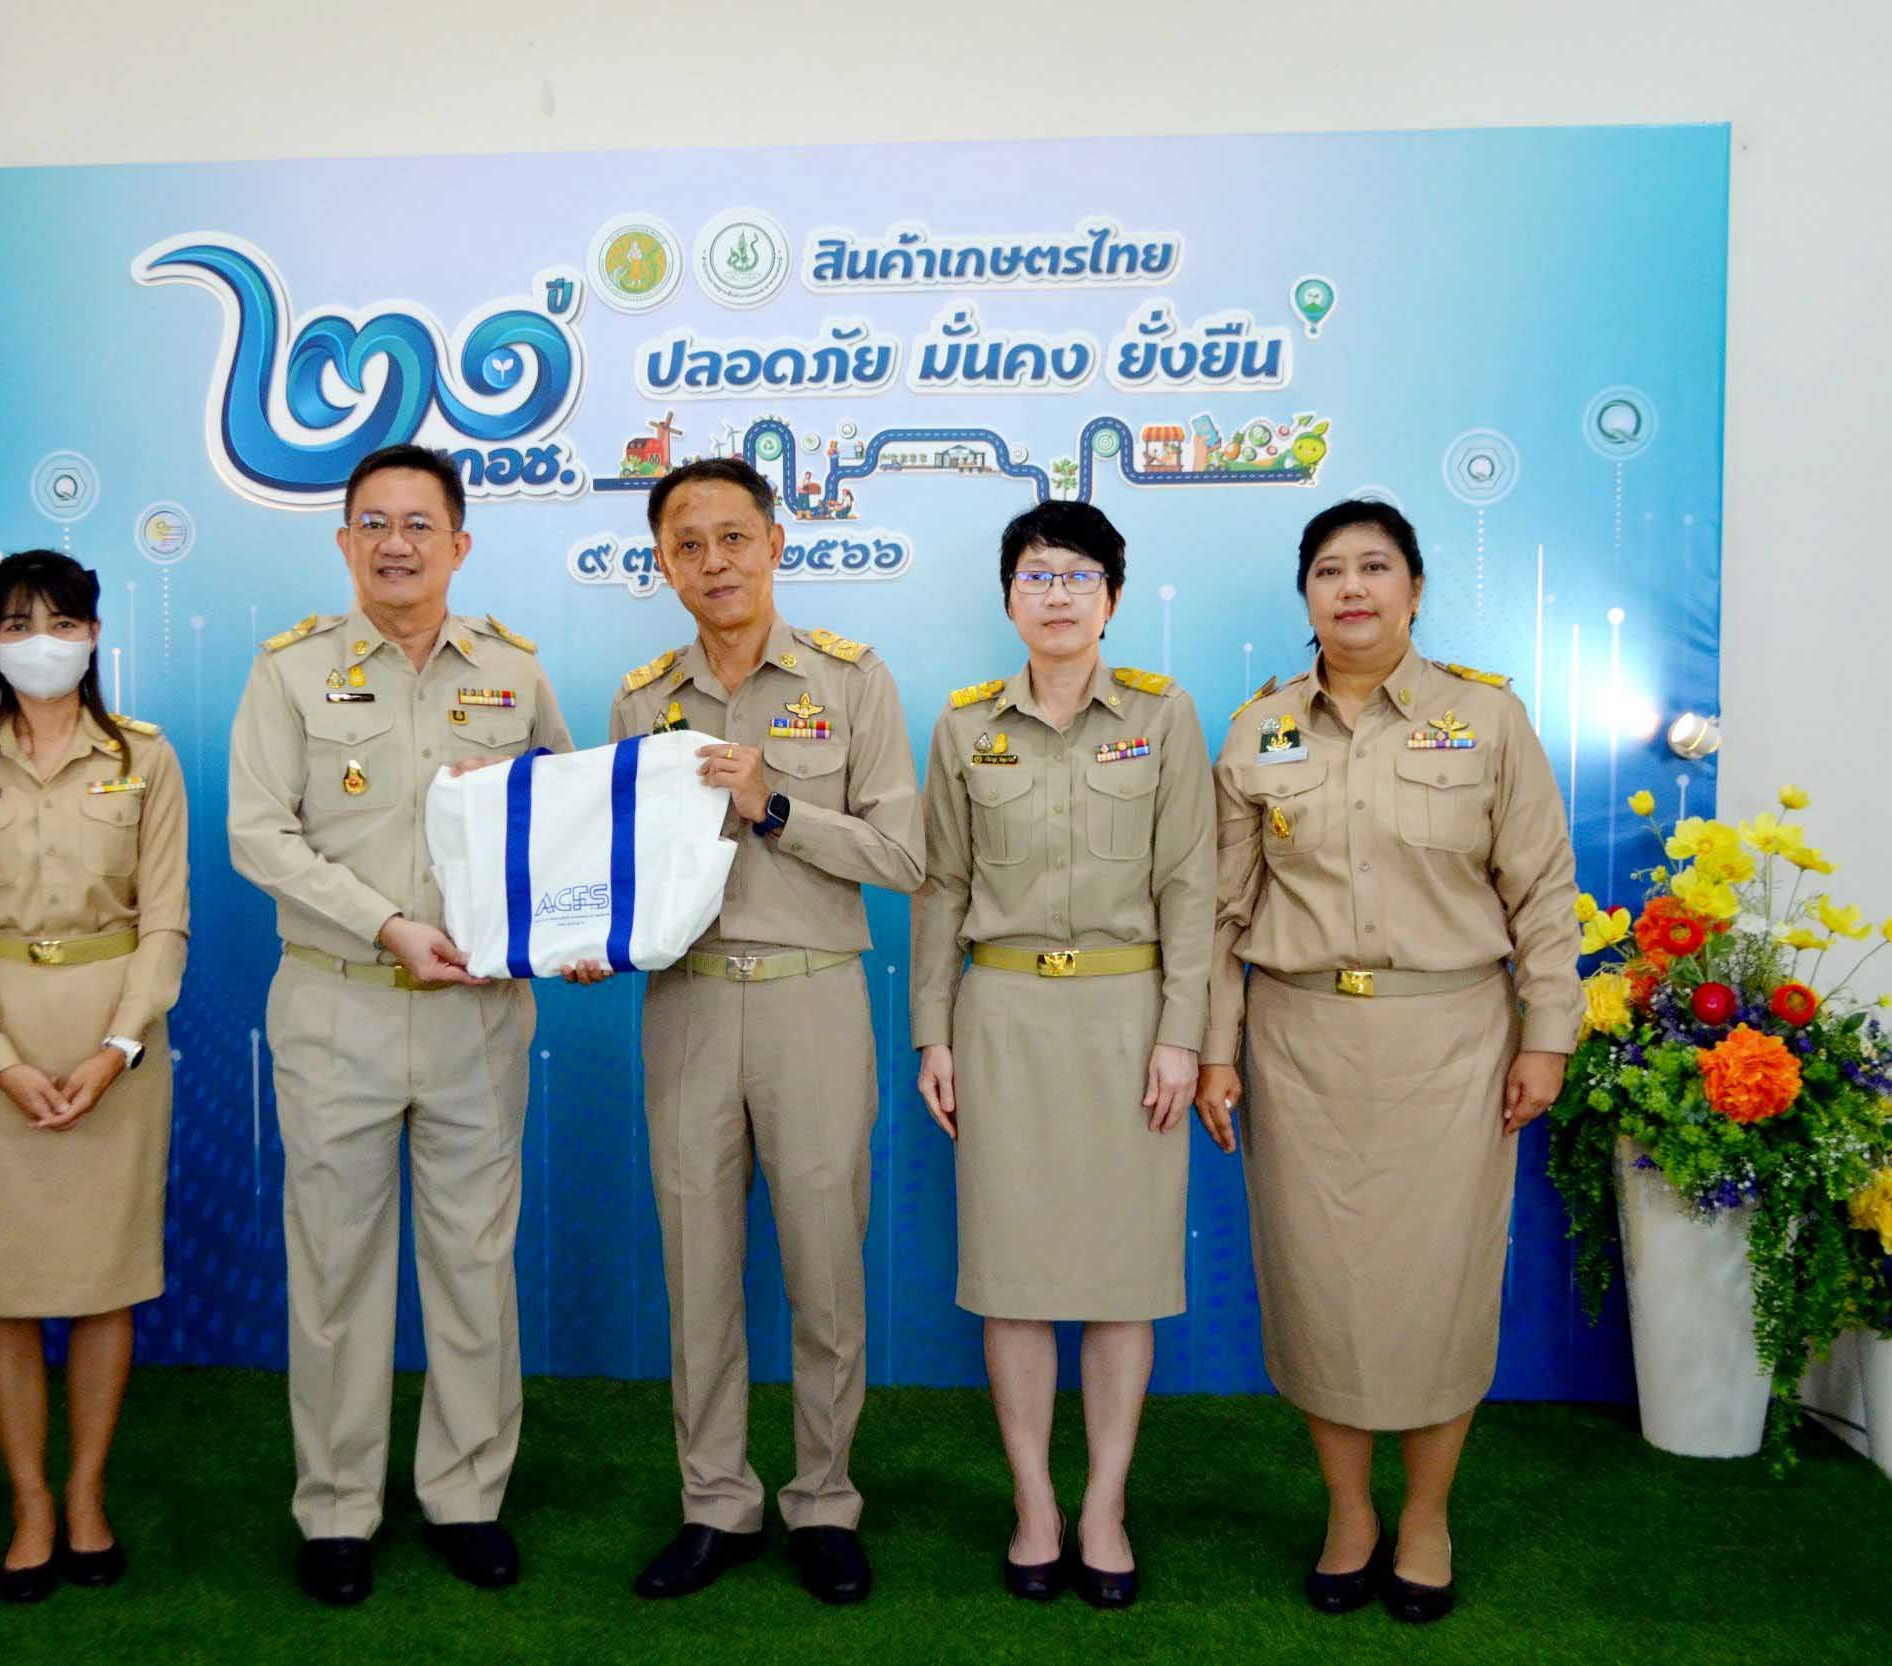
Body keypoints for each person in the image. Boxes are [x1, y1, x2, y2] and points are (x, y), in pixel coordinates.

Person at [1199, 499, 1582, 1625]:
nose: (1352, 588)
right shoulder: (1260, 729)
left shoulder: (1486, 717)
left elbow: (1543, 889)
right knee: (1322, 1288)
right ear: (1307, 594)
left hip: (1451, 1045)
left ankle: (1425, 1517)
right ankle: (1348, 1515)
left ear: (1415, 588)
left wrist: (1547, 1035)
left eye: (1375, 567)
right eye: (1329, 570)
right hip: (1301, 1043)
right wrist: (1216, 1050)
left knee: (1437, 1289)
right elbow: (1223, 909)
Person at [227, 443, 572, 1605]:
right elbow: (258, 834)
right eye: (373, 523)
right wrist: (384, 924)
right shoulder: (290, 670)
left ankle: (468, 1494)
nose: (396, 544)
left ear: (459, 543)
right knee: (335, 1267)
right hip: (339, 1002)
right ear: (344, 542)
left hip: (478, 1013)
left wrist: (577, 926)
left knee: (474, 1262)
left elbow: (562, 819)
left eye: (419, 523)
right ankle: (336, 1508)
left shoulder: (513, 671)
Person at [592, 457, 923, 1605]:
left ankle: (824, 1500)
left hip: (810, 995)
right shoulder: (643, 700)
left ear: (777, 544)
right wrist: (586, 924)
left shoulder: (850, 680)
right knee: (697, 1267)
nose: (714, 561)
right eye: (688, 544)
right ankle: (715, 1502)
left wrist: (772, 804)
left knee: (825, 1264)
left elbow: (905, 855)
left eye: (734, 537)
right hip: (685, 999)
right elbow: (623, 863)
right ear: (663, 563)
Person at [908, 501, 1216, 1609]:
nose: (1057, 594)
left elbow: (1191, 884)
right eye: (1037, 575)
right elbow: (941, 887)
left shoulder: (1165, 715)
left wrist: (1183, 1034)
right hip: (1002, 1016)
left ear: (1112, 599)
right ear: (1008, 597)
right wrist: (933, 1031)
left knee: (1122, 1280)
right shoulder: (962, 727)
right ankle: (1036, 1503)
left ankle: (1105, 1507)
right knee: (1017, 1278)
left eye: (1080, 575)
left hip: (1130, 1019)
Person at [0, 549, 188, 1604]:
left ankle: (85, 1496)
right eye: (21, 623)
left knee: (105, 1279)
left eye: (65, 623)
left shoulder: (143, 757)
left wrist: (118, 1049)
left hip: (116, 1036)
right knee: (9, 1286)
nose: (44, 642)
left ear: (94, 635)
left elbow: (165, 921)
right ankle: (29, 1503)